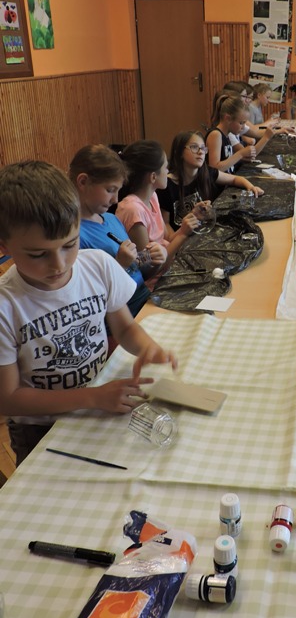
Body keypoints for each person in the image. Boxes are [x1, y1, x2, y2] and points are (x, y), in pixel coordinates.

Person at [0, 160, 177, 465]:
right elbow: (9, 398)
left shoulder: (98, 265)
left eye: (70, 244)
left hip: (98, 403)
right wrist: (93, 397)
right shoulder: (6, 305)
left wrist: (148, 348)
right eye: (38, 254)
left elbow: (125, 328)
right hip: (41, 428)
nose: (59, 264)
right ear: (4, 246)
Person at [69, 144, 167, 316]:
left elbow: (138, 273)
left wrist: (155, 260)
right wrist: (119, 265)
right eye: (110, 190)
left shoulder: (111, 219)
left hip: (145, 301)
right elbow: (88, 299)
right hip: (124, 316)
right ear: (83, 182)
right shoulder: (73, 236)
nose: (115, 200)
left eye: (118, 191)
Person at [116, 140, 198, 283]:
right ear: (153, 176)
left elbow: (166, 239)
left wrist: (188, 223)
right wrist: (183, 234)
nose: (168, 171)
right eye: (165, 167)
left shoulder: (152, 196)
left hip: (169, 268)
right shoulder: (133, 211)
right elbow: (147, 271)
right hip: (156, 284)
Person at [158, 130, 264, 230]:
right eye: (194, 147)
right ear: (179, 152)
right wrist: (179, 237)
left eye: (203, 148)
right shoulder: (166, 185)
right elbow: (165, 224)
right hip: (182, 237)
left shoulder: (206, 172)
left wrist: (251, 187)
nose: (200, 152)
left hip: (202, 231)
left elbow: (234, 179)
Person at [207, 94, 273, 172]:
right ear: (228, 118)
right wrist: (240, 154)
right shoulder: (216, 135)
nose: (243, 127)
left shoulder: (227, 134)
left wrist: (242, 157)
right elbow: (214, 169)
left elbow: (228, 162)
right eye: (241, 123)